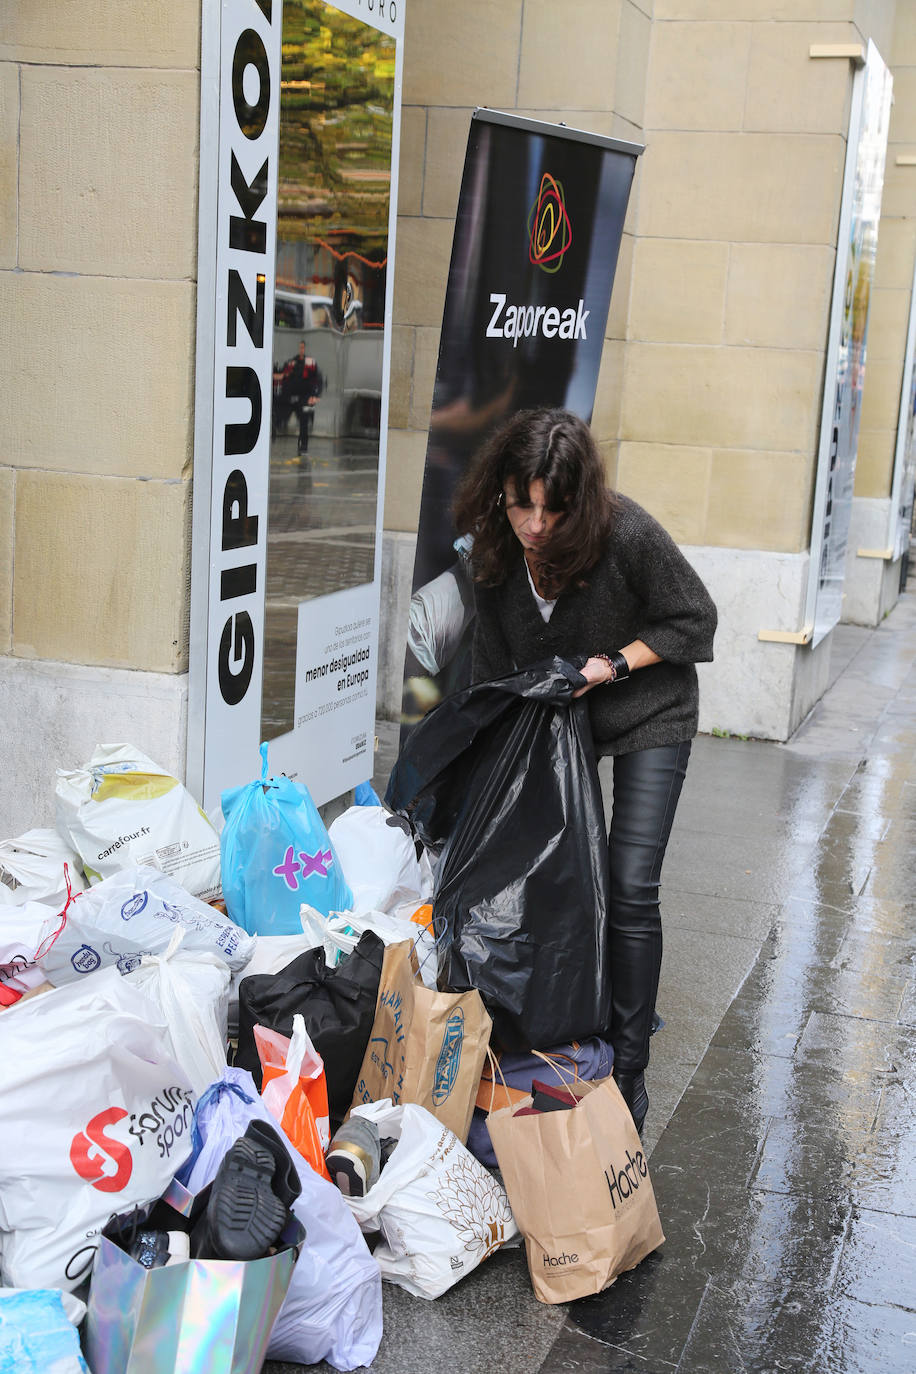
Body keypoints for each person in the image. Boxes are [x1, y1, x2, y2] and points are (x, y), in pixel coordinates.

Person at [452, 407, 717, 1134]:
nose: (536, 524)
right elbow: (493, 668)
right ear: (501, 491)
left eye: (553, 509)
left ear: (579, 501)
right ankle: (579, 1030)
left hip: (648, 711)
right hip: (561, 724)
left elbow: (694, 619)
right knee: (559, 879)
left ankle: (629, 1070)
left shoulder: (623, 532)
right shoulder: (493, 548)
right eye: (522, 505)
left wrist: (612, 666)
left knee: (628, 885)